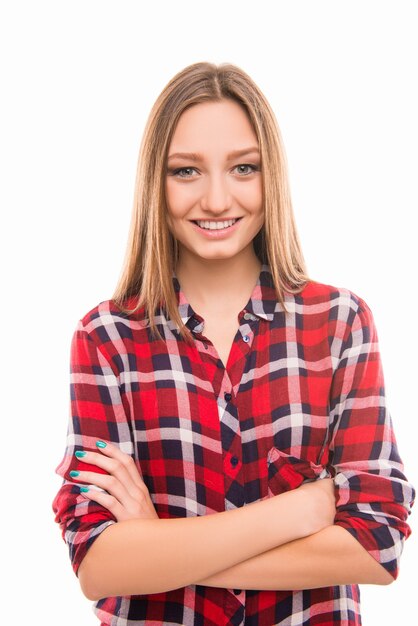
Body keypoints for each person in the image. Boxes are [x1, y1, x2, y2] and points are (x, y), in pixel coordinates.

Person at [53, 61, 414, 626]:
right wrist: (303, 510)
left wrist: (156, 546)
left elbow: (378, 544)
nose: (218, 200)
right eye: (186, 171)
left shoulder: (340, 324)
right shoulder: (106, 339)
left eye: (244, 168)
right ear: (155, 181)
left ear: (272, 176)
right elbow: (98, 564)